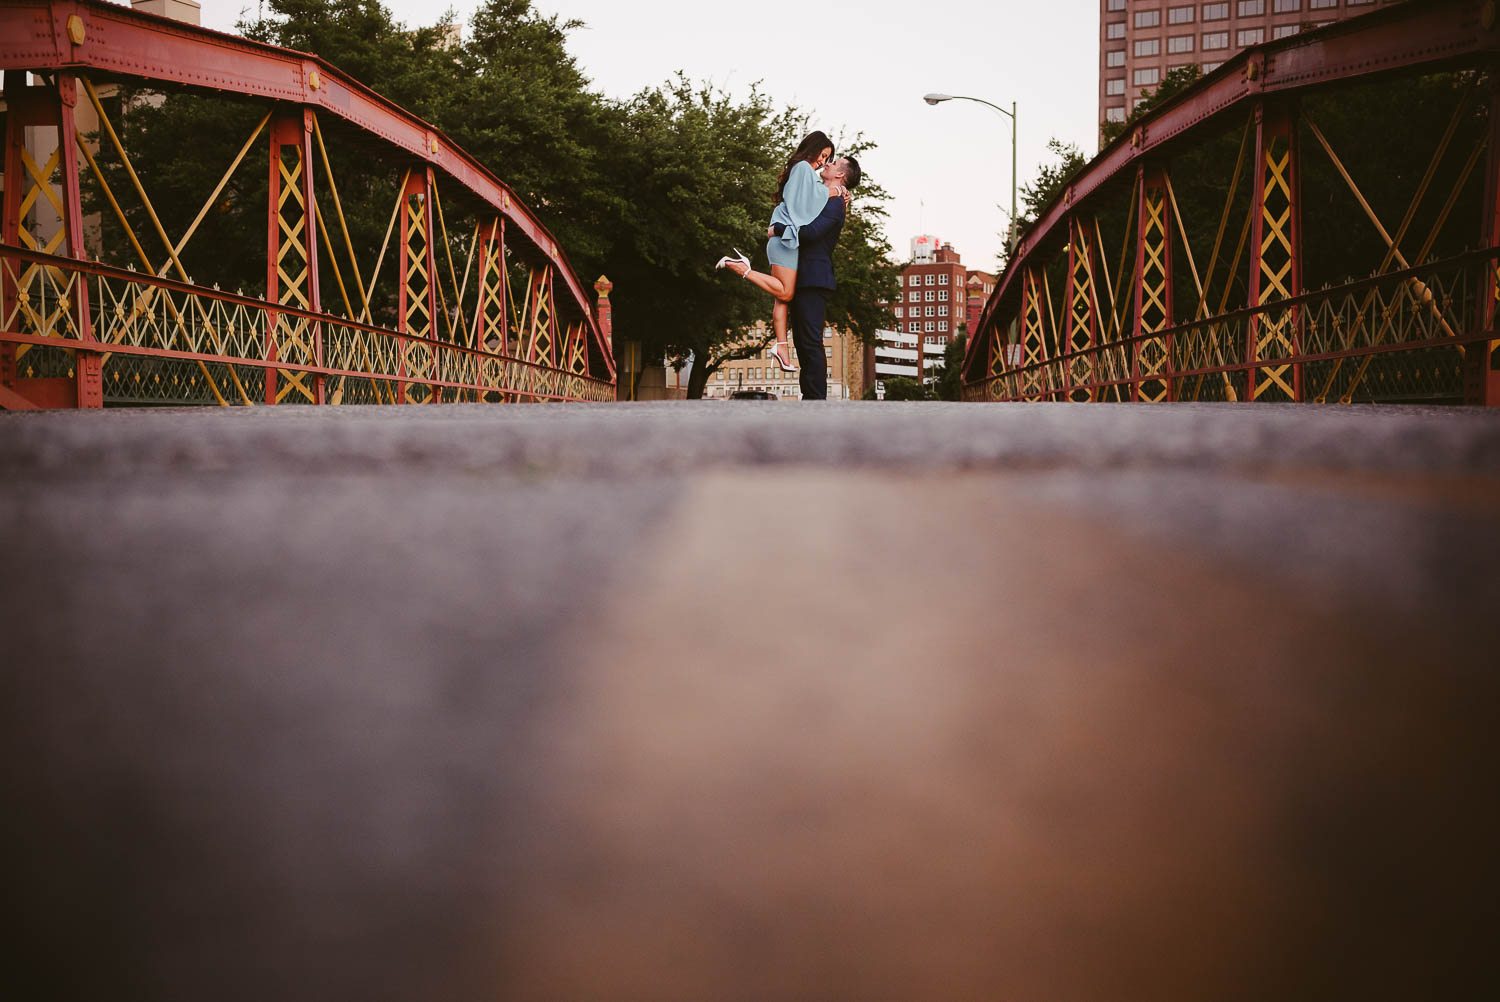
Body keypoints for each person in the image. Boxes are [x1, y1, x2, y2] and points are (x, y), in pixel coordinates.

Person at [716, 132, 848, 373]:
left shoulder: (804, 173)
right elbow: (807, 204)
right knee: (785, 292)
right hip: (784, 240)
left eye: (828, 158)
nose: (822, 162)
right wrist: (836, 192)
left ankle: (781, 346)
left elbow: (808, 199)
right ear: (814, 148)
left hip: (788, 240)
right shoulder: (803, 170)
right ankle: (742, 268)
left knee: (781, 298)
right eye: (823, 155)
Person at [783, 156, 858, 399]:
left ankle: (815, 401)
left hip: (814, 278)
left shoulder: (836, 203)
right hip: (801, 275)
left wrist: (781, 229)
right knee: (803, 343)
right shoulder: (822, 195)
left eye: (834, 163)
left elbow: (812, 232)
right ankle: (811, 399)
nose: (827, 163)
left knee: (811, 343)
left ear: (841, 176)